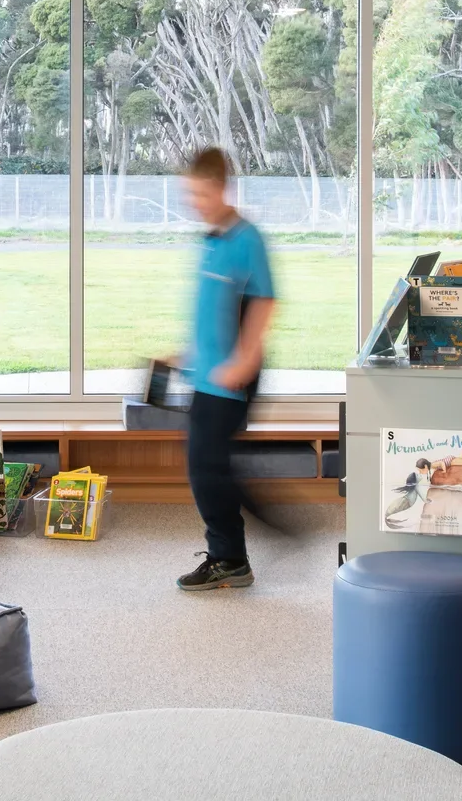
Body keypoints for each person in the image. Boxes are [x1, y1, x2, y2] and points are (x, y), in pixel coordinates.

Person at [174, 146, 276, 592]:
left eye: (199, 193)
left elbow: (263, 301)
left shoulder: (246, 237)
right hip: (207, 371)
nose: (194, 202)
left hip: (232, 374)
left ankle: (230, 557)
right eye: (189, 194)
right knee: (210, 466)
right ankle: (232, 554)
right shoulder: (212, 238)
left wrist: (245, 358)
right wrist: (185, 353)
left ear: (220, 187)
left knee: (208, 467)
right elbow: (211, 308)